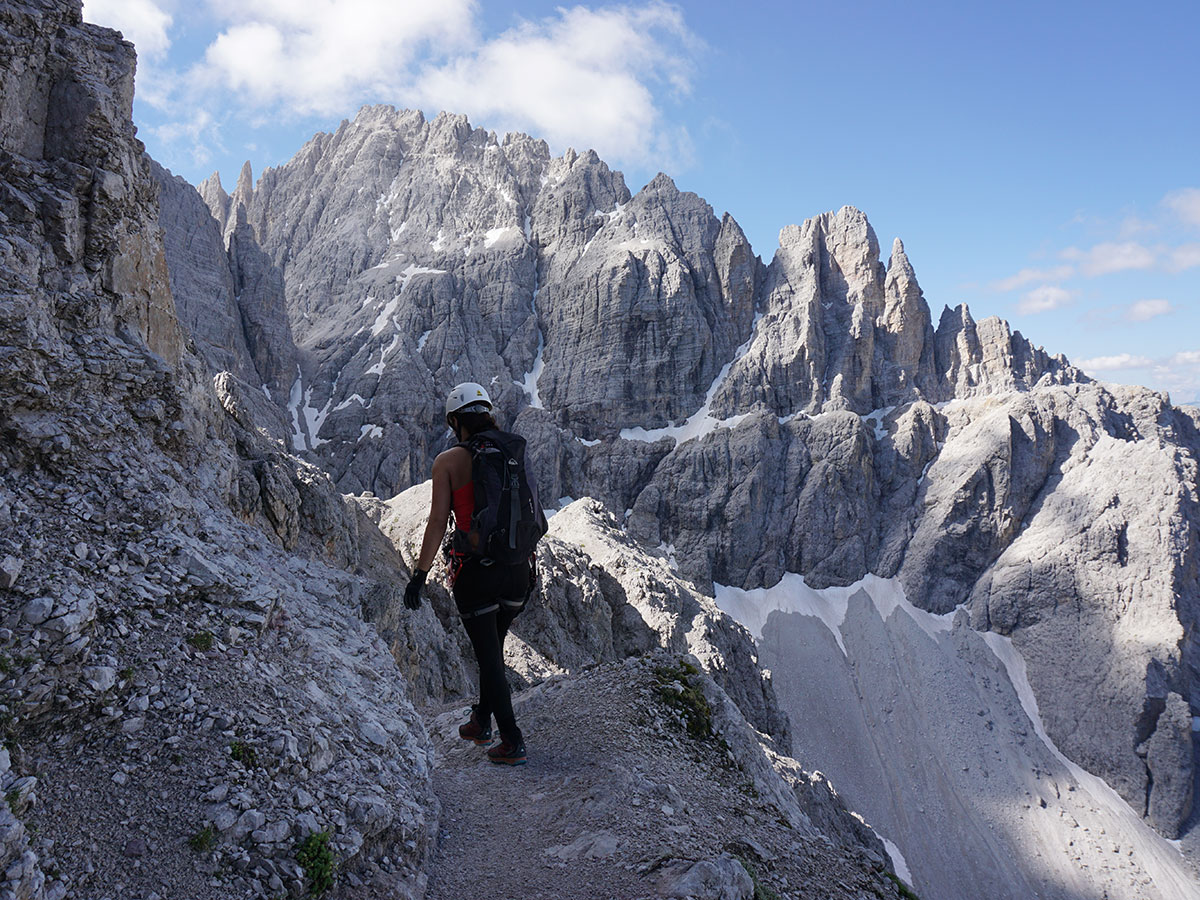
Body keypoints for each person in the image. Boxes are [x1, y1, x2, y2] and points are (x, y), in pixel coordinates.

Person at [403, 382, 544, 766]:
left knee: (489, 658)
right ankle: (482, 719)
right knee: (492, 650)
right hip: (519, 573)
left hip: (476, 576)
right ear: (488, 414)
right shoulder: (515, 449)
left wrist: (419, 575)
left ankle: (511, 739)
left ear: (454, 422)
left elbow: (436, 522)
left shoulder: (448, 462)